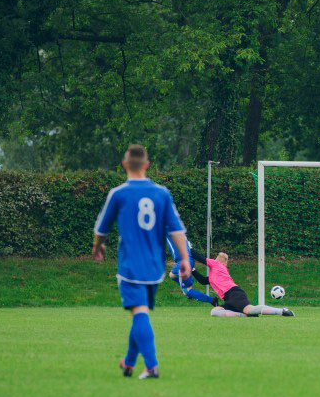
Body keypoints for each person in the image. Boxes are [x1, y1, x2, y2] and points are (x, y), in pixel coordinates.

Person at [93, 144, 190, 379]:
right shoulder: (162, 193)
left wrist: (98, 246)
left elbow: (102, 228)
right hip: (155, 266)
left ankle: (152, 365)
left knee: (139, 314)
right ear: (147, 165)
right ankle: (128, 362)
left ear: (125, 165)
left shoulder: (119, 193)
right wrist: (185, 258)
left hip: (130, 266)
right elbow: (176, 229)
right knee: (140, 313)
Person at [189, 249, 294, 318]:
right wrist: (192, 270)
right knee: (214, 312)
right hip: (228, 299)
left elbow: (198, 257)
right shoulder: (215, 275)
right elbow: (203, 281)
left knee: (250, 309)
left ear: (218, 260)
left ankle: (282, 311)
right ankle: (243, 315)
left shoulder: (217, 264)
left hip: (234, 293)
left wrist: (187, 247)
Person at [166, 237, 217, 306]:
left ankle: (212, 300)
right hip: (187, 260)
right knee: (172, 275)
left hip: (183, 263)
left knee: (187, 291)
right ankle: (187, 288)